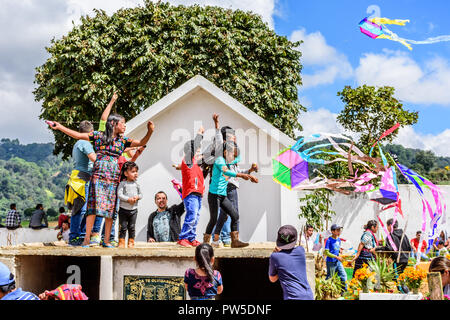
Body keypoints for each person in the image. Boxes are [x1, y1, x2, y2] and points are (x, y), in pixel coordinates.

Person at [50, 109, 154, 248]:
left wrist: (150, 131)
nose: (124, 126)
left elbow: (141, 142)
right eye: (122, 123)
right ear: (113, 123)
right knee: (93, 208)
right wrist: (60, 127)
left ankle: (106, 241)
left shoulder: (123, 140)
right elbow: (78, 135)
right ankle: (86, 239)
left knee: (110, 210)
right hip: (98, 176)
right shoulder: (99, 136)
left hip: (113, 177)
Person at [204, 141, 257, 248]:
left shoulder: (228, 161)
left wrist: (251, 170)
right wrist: (241, 175)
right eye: (231, 154)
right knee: (213, 219)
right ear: (224, 152)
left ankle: (235, 241)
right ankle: (205, 243)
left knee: (235, 215)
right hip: (214, 195)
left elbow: (238, 158)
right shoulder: (219, 160)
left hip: (222, 195)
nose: (234, 156)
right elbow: (226, 172)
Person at [65, 119, 97, 246]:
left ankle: (78, 235)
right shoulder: (85, 143)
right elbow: (94, 159)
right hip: (83, 177)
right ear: (91, 132)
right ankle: (76, 236)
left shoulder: (77, 143)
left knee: (80, 208)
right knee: (81, 209)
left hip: (77, 176)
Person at [175, 126, 205, 247]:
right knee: (191, 215)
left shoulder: (196, 164)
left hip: (198, 193)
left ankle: (191, 238)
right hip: (191, 193)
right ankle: (183, 238)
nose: (198, 152)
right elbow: (194, 146)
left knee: (196, 217)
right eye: (196, 150)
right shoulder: (187, 160)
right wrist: (199, 135)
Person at [268, 225, 314, 300]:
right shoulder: (301, 250)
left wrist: (280, 270)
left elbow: (272, 279)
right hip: (308, 296)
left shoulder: (275, 257)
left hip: (293, 297)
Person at [117, 161, 143, 248]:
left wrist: (137, 197)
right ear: (126, 173)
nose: (135, 173)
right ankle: (121, 241)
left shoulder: (136, 184)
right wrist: (128, 199)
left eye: (136, 171)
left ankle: (131, 241)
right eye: (133, 172)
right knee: (123, 227)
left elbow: (141, 194)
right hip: (123, 210)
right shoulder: (123, 184)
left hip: (133, 210)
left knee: (132, 227)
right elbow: (119, 194)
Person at [324, 224, 347, 292]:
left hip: (338, 261)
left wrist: (340, 250)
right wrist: (336, 257)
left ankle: (344, 291)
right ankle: (327, 293)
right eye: (337, 230)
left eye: (339, 230)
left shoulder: (339, 240)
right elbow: (327, 252)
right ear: (332, 231)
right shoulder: (329, 240)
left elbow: (337, 248)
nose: (339, 232)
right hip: (331, 262)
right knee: (330, 278)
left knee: (343, 275)